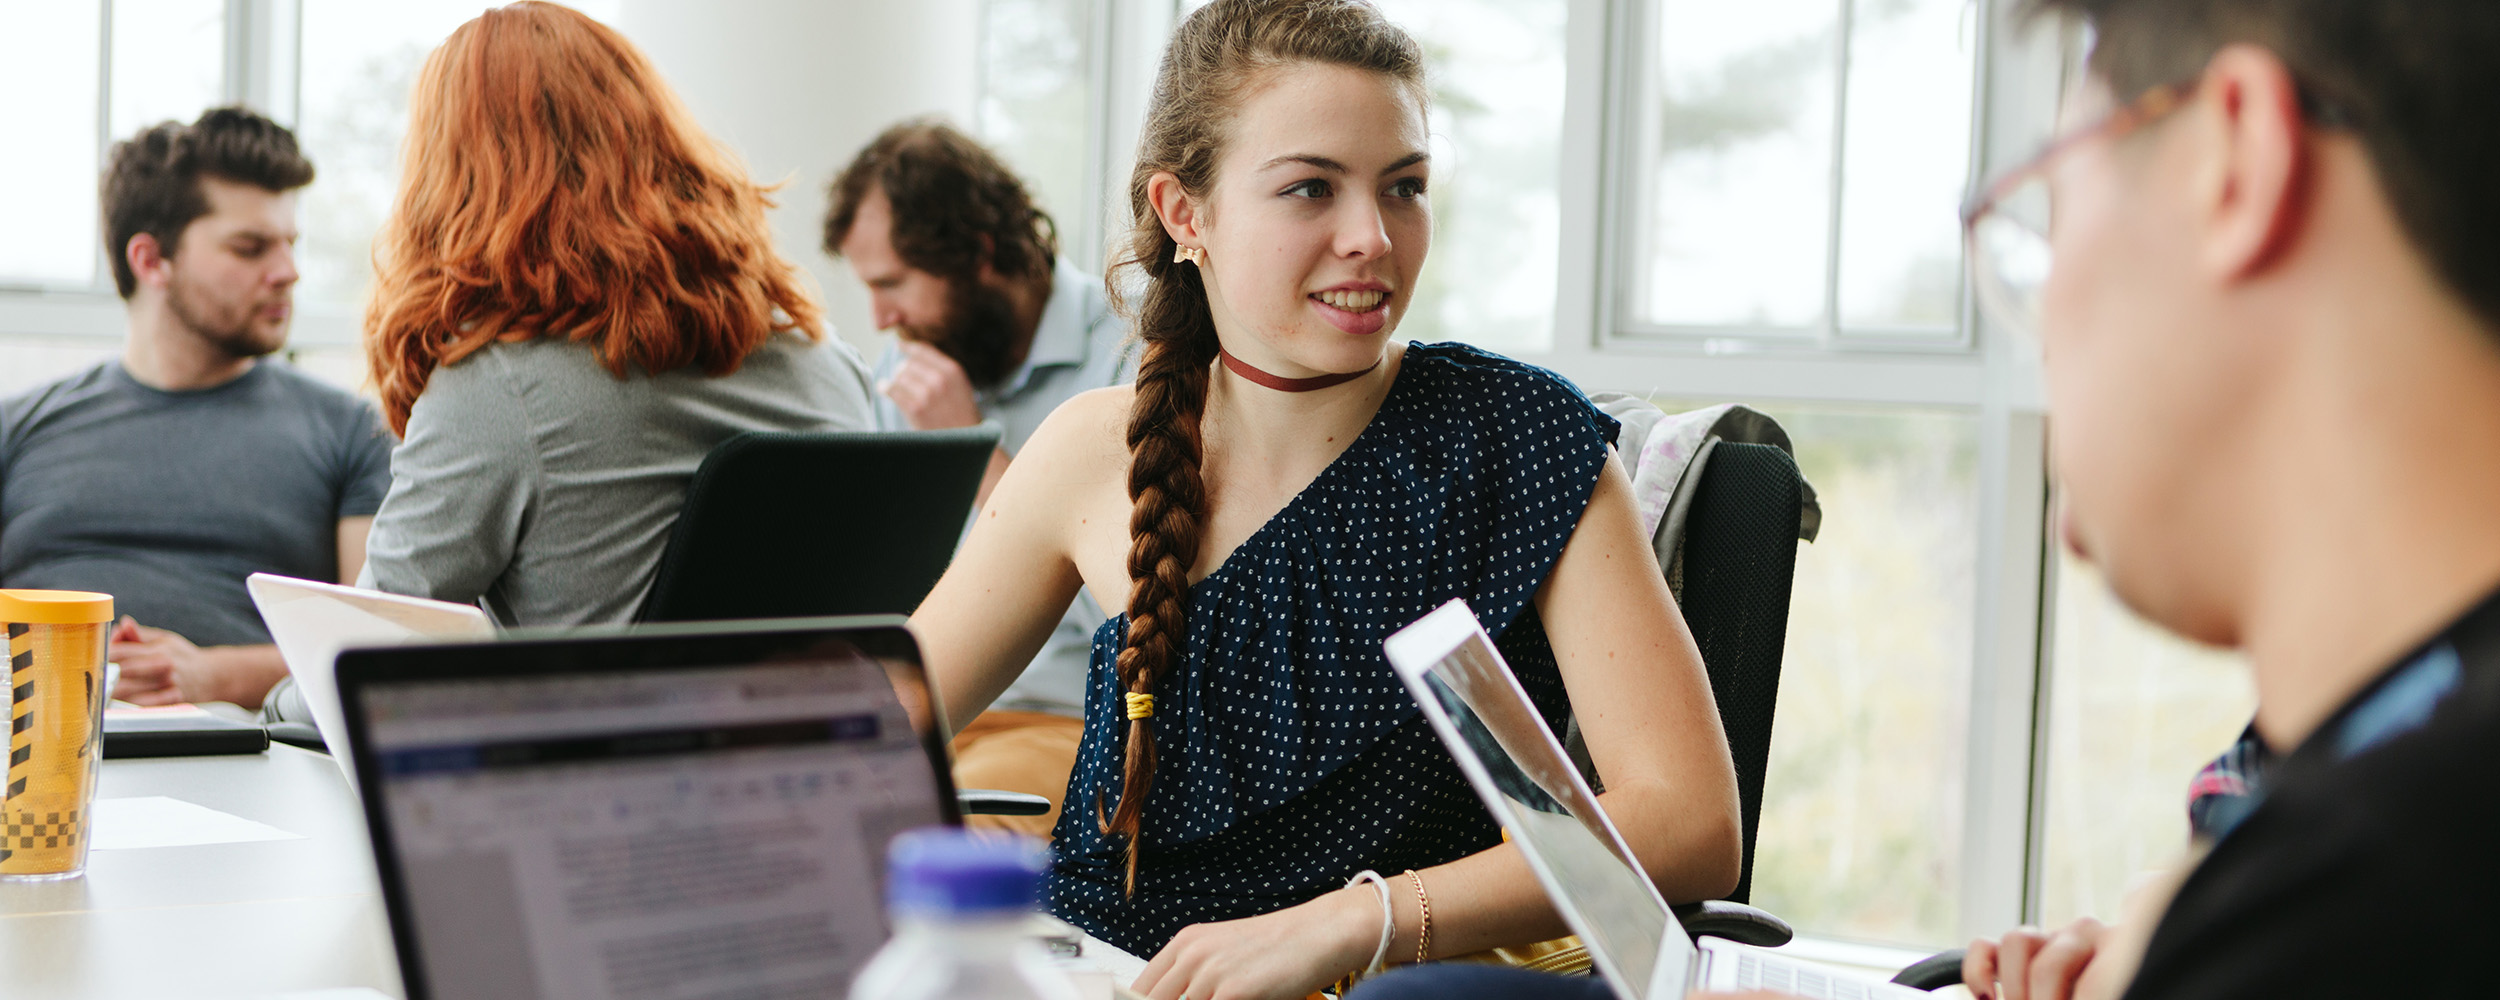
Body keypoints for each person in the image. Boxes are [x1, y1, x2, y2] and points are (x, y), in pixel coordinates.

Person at [1364, 0, 2500, 998]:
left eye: (2045, 216)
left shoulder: (2374, 884)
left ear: (2235, 164)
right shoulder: (2371, 821)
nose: (2043, 329)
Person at [907, 3, 1743, 998]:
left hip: (1385, 981)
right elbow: (880, 718)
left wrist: (1360, 919)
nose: (1372, 238)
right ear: (1186, 214)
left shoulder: (1522, 437)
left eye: (1405, 188)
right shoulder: (1092, 446)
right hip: (1095, 969)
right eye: (1310, 188)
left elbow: (1690, 825)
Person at [356, 1, 876, 626]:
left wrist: (263, 704)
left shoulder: (501, 390)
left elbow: (361, 649)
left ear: (453, 182)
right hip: (825, 722)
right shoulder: (829, 365)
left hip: (596, 725)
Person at [0, 106, 391, 710]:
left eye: (289, 245)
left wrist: (217, 676)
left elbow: (377, 648)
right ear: (151, 261)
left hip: (243, 758)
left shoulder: (353, 432)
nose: (287, 272)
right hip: (36, 756)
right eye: (250, 248)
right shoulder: (18, 427)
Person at [823, 120, 1134, 838]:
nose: (881, 318)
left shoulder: (1131, 353)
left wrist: (978, 456)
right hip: (921, 715)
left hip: (1063, 724)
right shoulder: (904, 374)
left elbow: (1132, 625)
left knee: (906, 852)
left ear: (980, 254)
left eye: (894, 283)